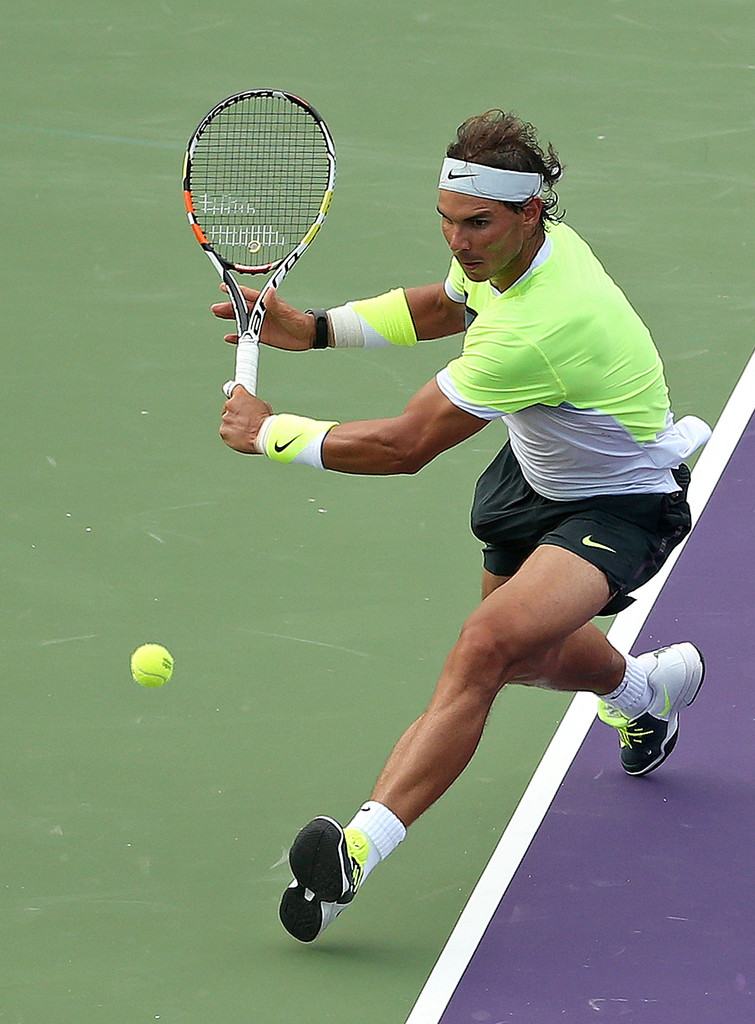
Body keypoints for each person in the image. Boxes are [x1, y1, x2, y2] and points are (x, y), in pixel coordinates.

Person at [213, 110, 711, 943]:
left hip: (619, 504)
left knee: (485, 649)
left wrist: (269, 433)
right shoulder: (512, 258)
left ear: (530, 213)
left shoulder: (543, 327)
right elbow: (447, 305)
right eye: (446, 221)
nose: (459, 242)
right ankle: (644, 694)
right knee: (530, 654)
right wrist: (319, 330)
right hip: (534, 478)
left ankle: (355, 852)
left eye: (477, 224)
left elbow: (404, 445)